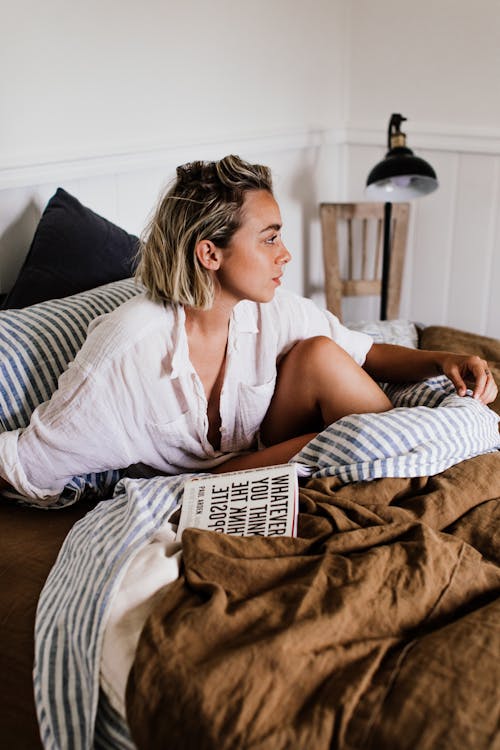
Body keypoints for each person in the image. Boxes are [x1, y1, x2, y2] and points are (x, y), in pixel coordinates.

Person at [0, 155, 497, 502]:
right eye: (270, 238)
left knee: (321, 352)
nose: (285, 254)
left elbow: (361, 353)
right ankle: (373, 467)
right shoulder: (127, 350)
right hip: (193, 491)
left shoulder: (270, 309)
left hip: (265, 452)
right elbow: (27, 462)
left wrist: (443, 360)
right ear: (210, 253)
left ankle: (396, 469)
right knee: (332, 439)